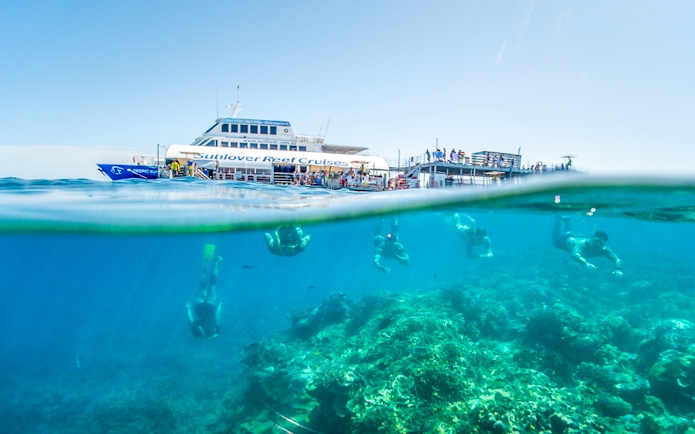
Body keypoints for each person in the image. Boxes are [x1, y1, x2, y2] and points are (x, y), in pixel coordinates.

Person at [552, 216, 623, 276]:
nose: (597, 245)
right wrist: (586, 264)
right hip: (565, 240)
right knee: (555, 241)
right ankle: (557, 218)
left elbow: (617, 259)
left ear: (604, 244)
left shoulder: (604, 250)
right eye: (596, 241)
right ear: (592, 239)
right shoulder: (581, 244)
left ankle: (567, 222)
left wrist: (618, 269)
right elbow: (575, 255)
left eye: (601, 243)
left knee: (568, 235)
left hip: (576, 237)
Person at [187, 244, 222, 340]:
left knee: (212, 284)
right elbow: (190, 319)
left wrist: (220, 303)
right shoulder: (196, 333)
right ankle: (205, 267)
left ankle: (216, 261)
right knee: (202, 287)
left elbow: (217, 315)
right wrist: (188, 307)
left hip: (210, 309)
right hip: (199, 308)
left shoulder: (216, 331)